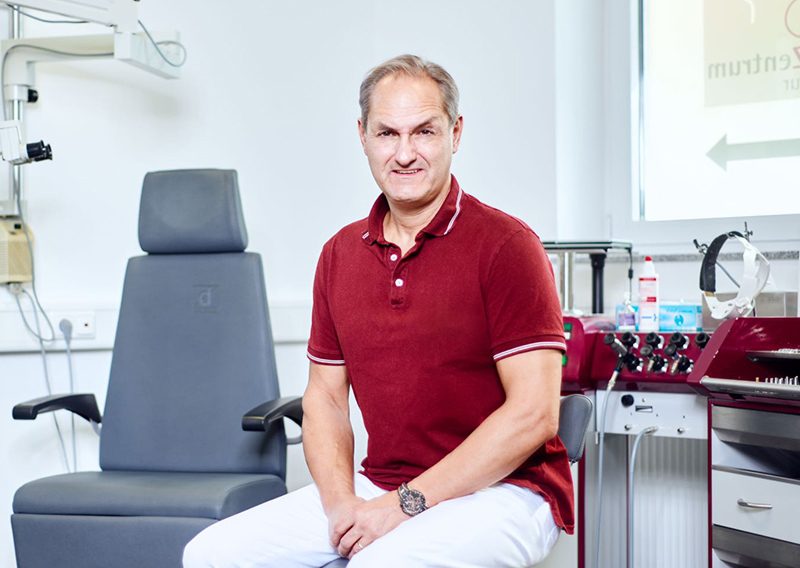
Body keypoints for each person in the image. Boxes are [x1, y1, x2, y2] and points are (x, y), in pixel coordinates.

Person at [183, 53, 573, 568]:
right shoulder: (339, 255)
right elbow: (325, 397)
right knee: (211, 554)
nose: (405, 153)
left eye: (424, 132)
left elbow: (534, 414)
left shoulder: (507, 246)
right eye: (388, 133)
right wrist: (340, 504)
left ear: (455, 133)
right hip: (382, 483)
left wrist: (404, 505)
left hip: (507, 490)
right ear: (363, 136)